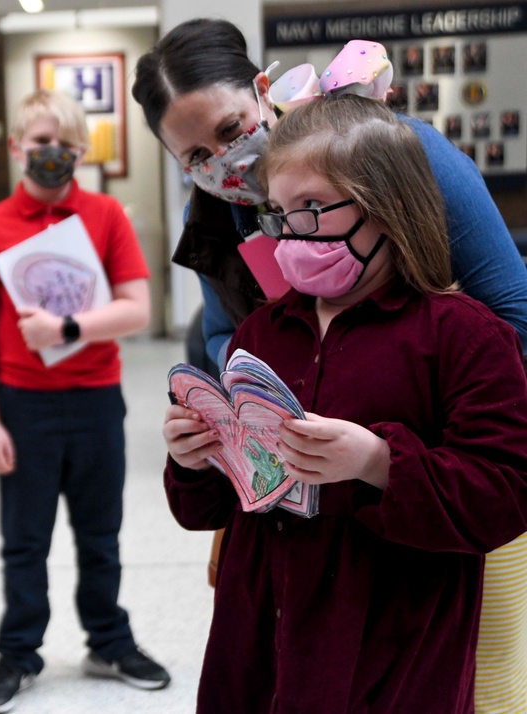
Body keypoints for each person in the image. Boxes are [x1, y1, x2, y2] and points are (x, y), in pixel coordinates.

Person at [132, 22, 527, 711]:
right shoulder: (232, 246)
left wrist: (388, 456)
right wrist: (223, 434)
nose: (223, 161)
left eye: (230, 130)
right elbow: (230, 345)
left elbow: (508, 325)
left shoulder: (394, 162)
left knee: (476, 672)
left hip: (412, 551)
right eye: (194, 154)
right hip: (281, 571)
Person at [0, 89, 169, 713]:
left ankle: (109, 641)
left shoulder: (106, 216)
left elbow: (138, 309)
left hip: (96, 402)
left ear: (80, 151)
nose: (50, 154)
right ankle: (20, 650)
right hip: (23, 404)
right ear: (16, 146)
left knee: (99, 535)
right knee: (25, 540)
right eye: (39, 142)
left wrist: (68, 329)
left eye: (63, 144)